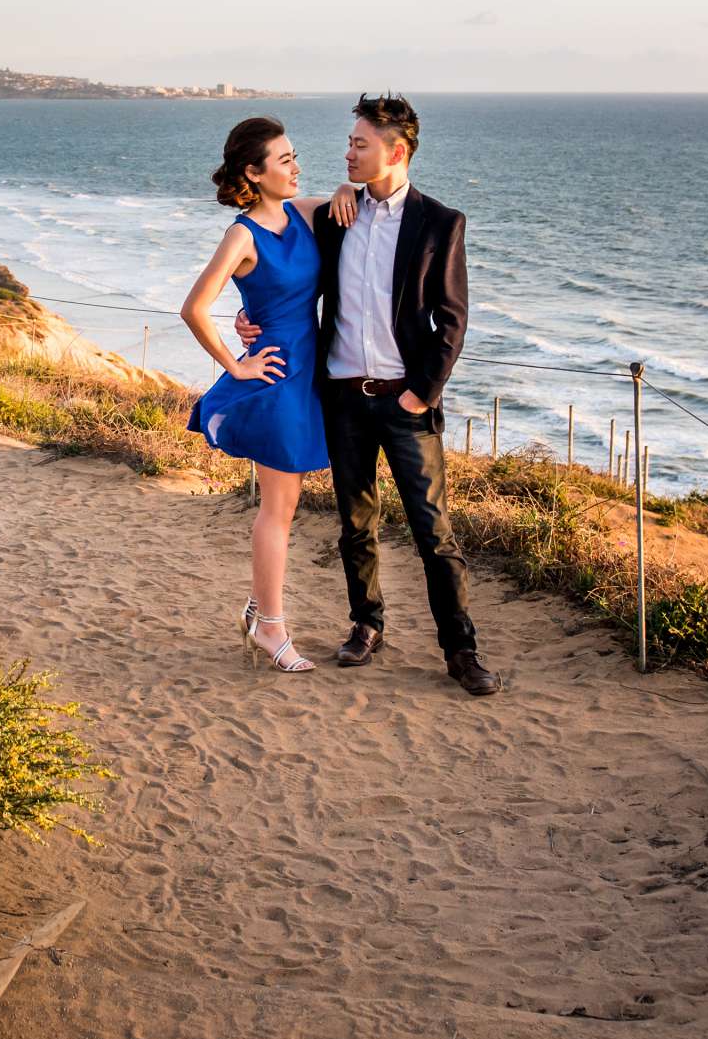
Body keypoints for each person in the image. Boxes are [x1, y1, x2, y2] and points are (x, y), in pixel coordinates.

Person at [239, 94, 498, 696]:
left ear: (396, 150)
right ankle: (366, 625)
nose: (348, 153)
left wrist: (419, 395)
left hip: (405, 403)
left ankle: (461, 651)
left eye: (360, 144)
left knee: (433, 532)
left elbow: (452, 322)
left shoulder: (440, 222)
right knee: (356, 525)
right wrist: (248, 322)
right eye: (350, 143)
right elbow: (275, 264)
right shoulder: (336, 214)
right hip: (343, 397)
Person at [180, 117, 354, 673]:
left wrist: (350, 188)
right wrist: (237, 363)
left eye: (294, 155)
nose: (296, 166)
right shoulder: (241, 235)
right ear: (253, 173)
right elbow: (193, 308)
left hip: (310, 377)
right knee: (279, 508)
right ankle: (271, 627)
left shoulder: (300, 213)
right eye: (284, 160)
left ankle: (261, 610)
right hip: (276, 378)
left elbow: (351, 200)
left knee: (287, 505)